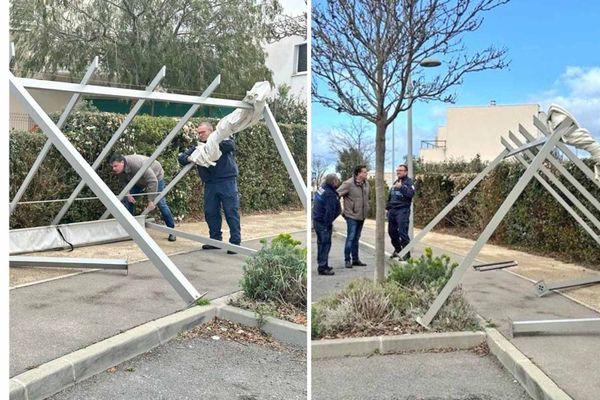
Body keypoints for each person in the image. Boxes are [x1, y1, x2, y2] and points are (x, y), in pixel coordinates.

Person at [178, 121, 240, 254]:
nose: (200, 135)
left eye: (203, 132)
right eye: (198, 133)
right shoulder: (198, 147)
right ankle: (215, 240)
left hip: (226, 180)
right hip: (210, 184)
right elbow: (182, 158)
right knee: (211, 212)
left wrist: (213, 143)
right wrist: (191, 158)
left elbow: (230, 145)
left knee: (231, 211)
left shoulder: (222, 140)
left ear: (211, 132)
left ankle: (235, 243)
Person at [109, 153, 176, 241]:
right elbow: (123, 182)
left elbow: (152, 181)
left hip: (156, 177)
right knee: (127, 200)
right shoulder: (120, 169)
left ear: (122, 162)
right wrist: (128, 194)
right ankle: (130, 229)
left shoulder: (136, 164)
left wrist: (151, 200)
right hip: (139, 180)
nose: (113, 169)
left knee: (161, 203)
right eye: (112, 167)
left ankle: (172, 231)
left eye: (115, 166)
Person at [337, 165, 370, 268]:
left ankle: (355, 259)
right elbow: (336, 195)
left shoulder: (366, 184)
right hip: (351, 215)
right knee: (351, 237)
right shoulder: (348, 184)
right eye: (364, 172)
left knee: (356, 238)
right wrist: (341, 211)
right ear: (358, 173)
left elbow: (367, 198)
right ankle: (347, 260)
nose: (366, 174)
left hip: (362, 215)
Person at [312, 173, 342, 276]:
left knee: (321, 244)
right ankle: (323, 267)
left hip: (317, 220)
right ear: (333, 182)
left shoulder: (321, 189)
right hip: (323, 222)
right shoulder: (330, 194)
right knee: (325, 244)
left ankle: (322, 264)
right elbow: (330, 211)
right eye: (337, 180)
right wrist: (328, 223)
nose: (338, 182)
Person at [386, 164, 415, 260]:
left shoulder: (408, 182)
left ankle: (406, 253)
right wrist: (388, 208)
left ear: (405, 172)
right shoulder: (396, 182)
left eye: (401, 170)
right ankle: (398, 249)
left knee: (403, 232)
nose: (398, 172)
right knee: (391, 232)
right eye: (397, 170)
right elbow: (391, 196)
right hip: (392, 210)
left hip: (402, 210)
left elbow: (411, 194)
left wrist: (401, 187)